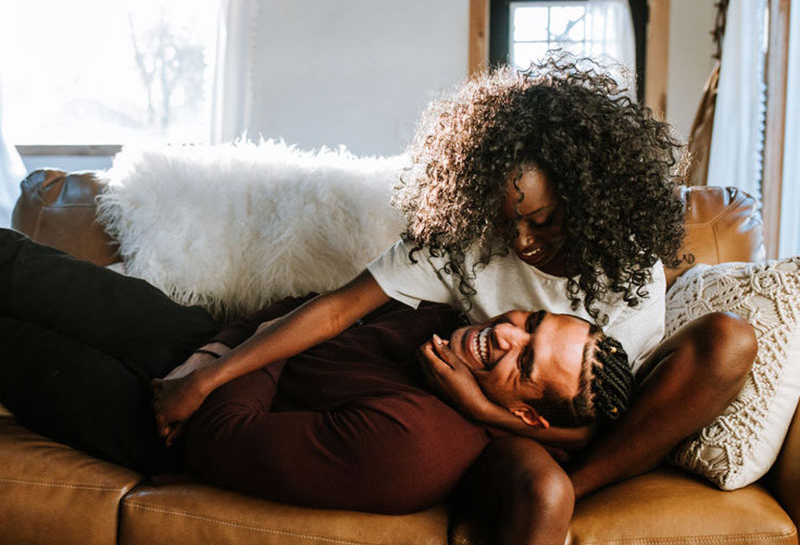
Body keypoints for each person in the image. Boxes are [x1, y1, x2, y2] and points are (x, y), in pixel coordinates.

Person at [152, 55, 757, 545]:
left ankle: (580, 487)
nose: (521, 242)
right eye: (508, 221)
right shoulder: (463, 240)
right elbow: (338, 307)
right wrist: (209, 376)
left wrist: (485, 408)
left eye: (542, 222)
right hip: (488, 419)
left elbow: (602, 419)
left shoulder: (624, 268)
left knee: (729, 339)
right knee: (544, 492)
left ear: (587, 199)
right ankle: (557, 485)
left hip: (547, 420)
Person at [0, 228, 632, 519]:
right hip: (194, 345)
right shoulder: (444, 327)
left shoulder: (413, 447)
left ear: (526, 416)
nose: (506, 333)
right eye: (531, 323)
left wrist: (234, 366)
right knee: (15, 259)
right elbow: (296, 308)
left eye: (524, 363)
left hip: (162, 425)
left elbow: (222, 438)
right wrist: (213, 356)